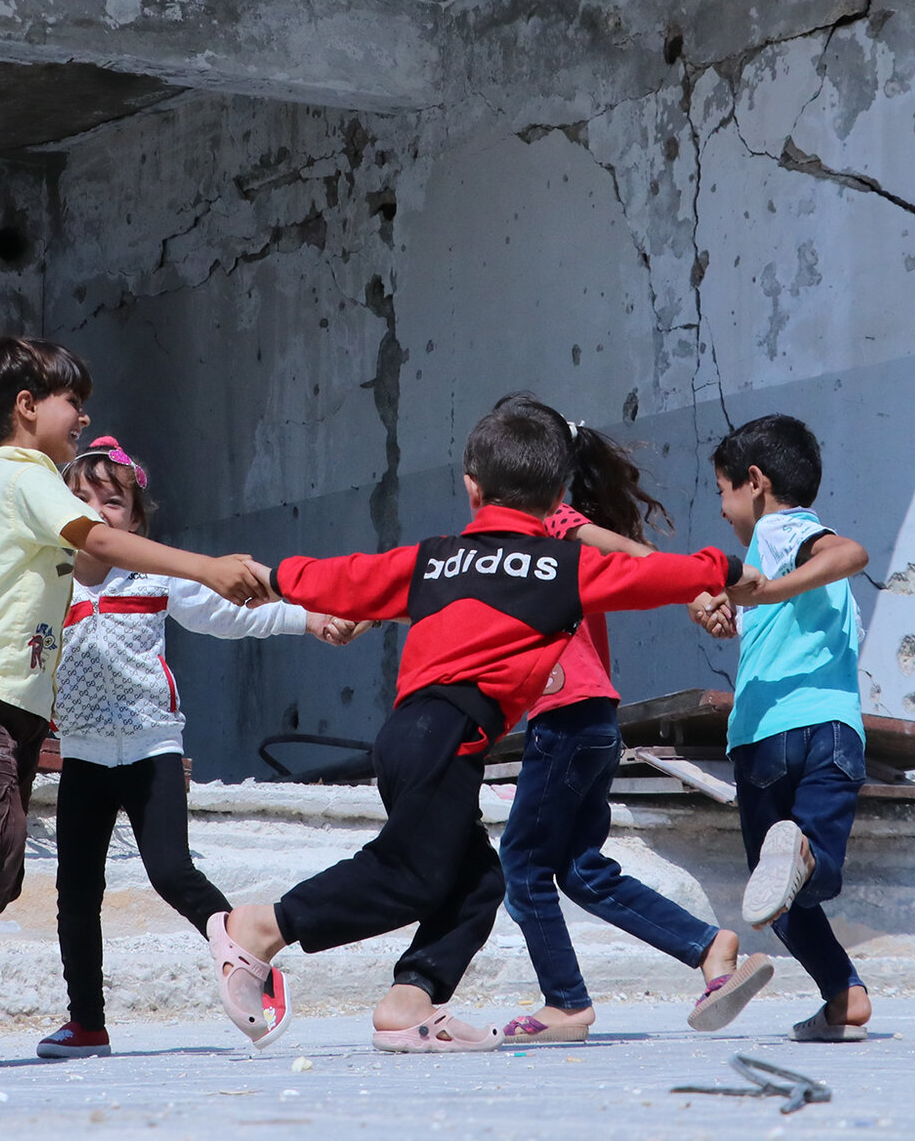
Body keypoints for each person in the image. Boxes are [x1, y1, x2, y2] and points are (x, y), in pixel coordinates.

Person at [205, 396, 764, 1053]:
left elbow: (345, 580)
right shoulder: (561, 566)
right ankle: (260, 929)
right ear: (559, 491)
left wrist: (275, 577)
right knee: (410, 874)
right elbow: (649, 574)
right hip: (447, 738)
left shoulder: (435, 558)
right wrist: (723, 571)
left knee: (479, 882)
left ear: (471, 486)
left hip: (413, 736)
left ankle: (406, 1004)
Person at [0, 338, 267, 1067]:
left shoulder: (36, 481)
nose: (82, 415)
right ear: (26, 408)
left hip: (16, 707)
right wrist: (206, 565)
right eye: (71, 401)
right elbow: (102, 544)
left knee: (4, 862)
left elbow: (98, 559)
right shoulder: (26, 477)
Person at [37, 435, 363, 1060]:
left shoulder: (156, 575)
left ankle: (249, 964)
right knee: (76, 892)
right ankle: (86, 1024)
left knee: (171, 873)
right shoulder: (48, 580)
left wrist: (310, 617)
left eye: (113, 501)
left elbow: (236, 616)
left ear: (134, 520)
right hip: (81, 756)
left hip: (151, 748)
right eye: (81, 498)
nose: (98, 511)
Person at [497, 406, 777, 1044]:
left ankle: (565, 1004)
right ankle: (709, 947)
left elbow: (625, 552)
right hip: (591, 721)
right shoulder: (521, 538)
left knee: (522, 863)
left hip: (569, 719)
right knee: (578, 868)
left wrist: (695, 589)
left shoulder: (552, 523)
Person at [687, 414, 875, 1045]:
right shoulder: (765, 558)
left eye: (722, 490)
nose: (721, 509)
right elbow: (753, 602)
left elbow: (848, 553)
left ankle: (796, 856)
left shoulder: (782, 530)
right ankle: (843, 995)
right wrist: (727, 609)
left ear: (756, 482)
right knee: (791, 884)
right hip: (835, 734)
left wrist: (759, 596)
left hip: (770, 734)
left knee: (778, 883)